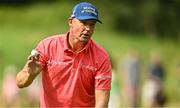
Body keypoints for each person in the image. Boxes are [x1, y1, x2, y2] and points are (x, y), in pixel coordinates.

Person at [16, 2, 112, 107]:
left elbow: (102, 103)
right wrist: (30, 75)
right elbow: (20, 83)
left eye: (92, 24)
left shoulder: (101, 56)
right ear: (70, 22)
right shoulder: (48, 46)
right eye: (84, 23)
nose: (88, 28)